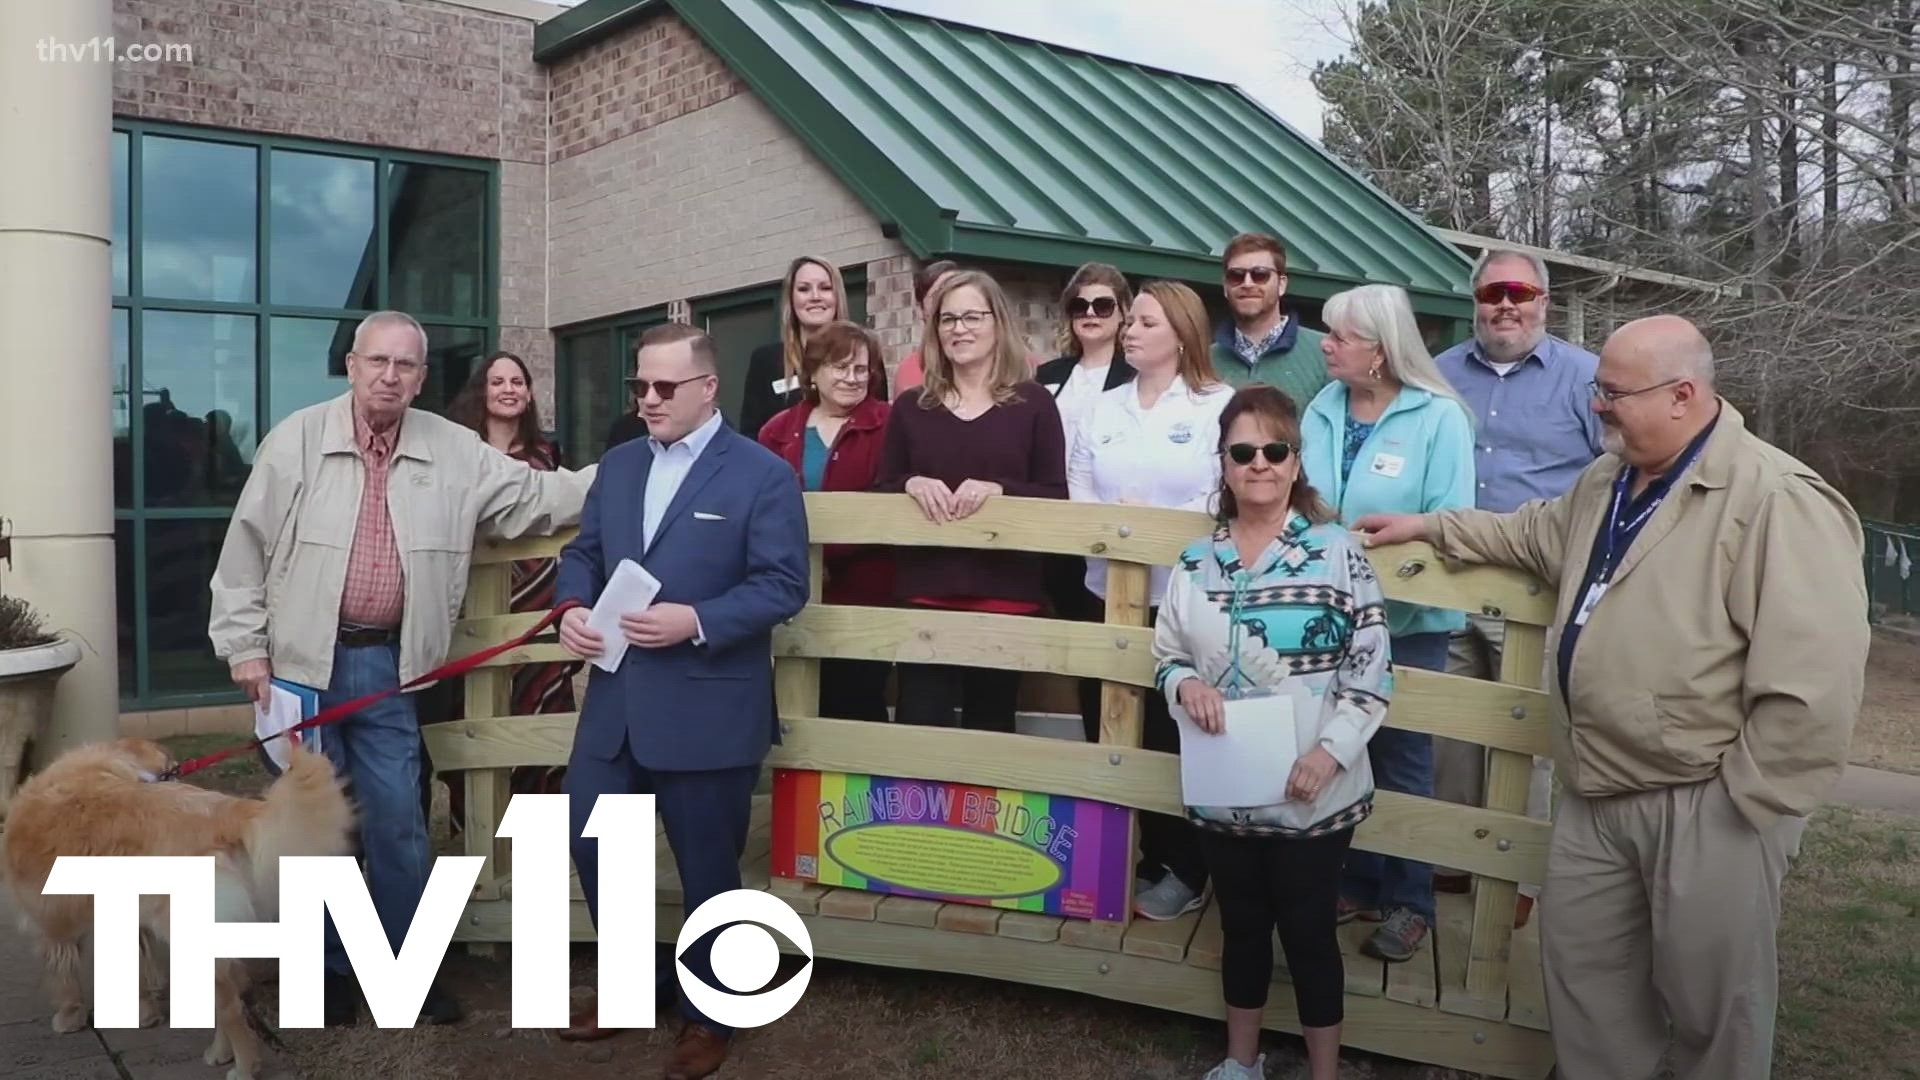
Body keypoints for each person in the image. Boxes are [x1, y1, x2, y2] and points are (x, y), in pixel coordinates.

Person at [1353, 315, 1870, 1080]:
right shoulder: (1611, 478)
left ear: (1683, 395)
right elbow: (1532, 534)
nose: (1598, 406)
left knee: (1712, 1011)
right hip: (1596, 789)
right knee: (1587, 987)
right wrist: (1429, 524)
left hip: (1705, 800)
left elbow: (1815, 682)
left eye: (1614, 393)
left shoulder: (1776, 498)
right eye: (1599, 390)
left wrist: (1744, 804)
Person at [207, 310, 595, 1027]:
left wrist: (631, 470)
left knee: (397, 825)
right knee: (311, 832)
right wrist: (247, 650)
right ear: (352, 367)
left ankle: (401, 971)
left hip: (389, 667)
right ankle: (320, 974)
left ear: (422, 379)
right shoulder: (294, 440)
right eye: (377, 361)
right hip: (299, 671)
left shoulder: (455, 450)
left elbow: (537, 499)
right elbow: (245, 552)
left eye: (405, 366)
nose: (390, 376)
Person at [550, 322, 809, 1080]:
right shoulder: (621, 464)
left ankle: (713, 1014)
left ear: (708, 387)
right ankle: (629, 990)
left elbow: (783, 586)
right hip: (616, 705)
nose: (649, 400)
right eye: (640, 387)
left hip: (707, 706)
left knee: (708, 872)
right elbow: (585, 553)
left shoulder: (762, 474)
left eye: (665, 387)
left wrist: (696, 620)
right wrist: (570, 606)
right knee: (596, 845)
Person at [1154, 384, 1393, 1080]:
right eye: (1243, 450)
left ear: (1295, 463)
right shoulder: (1195, 562)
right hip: (1224, 788)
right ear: (1223, 463)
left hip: (1313, 789)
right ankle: (1241, 1063)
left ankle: (1323, 1073)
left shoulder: (1337, 552)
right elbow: (1166, 654)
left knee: (1310, 932)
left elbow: (1372, 665)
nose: (1259, 462)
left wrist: (1331, 752)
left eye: (1275, 449)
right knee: (1242, 927)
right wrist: (1184, 684)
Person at [1299, 283, 1474, 963]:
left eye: (1340, 336)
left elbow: (1448, 517)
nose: (1327, 345)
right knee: (1343, 750)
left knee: (1403, 758)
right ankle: (1363, 880)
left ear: (1379, 349)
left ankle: (1411, 900)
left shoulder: (1439, 418)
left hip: (1409, 622)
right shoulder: (1321, 409)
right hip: (1329, 619)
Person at [1429, 248, 1603, 916]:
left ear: (1543, 302)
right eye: (1492, 292)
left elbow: (1611, 479)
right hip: (1448, 579)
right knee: (1449, 722)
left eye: (1520, 292)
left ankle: (1518, 872)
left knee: (1525, 728)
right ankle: (1450, 855)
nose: (1506, 304)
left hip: (1534, 588)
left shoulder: (1584, 378)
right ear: (1474, 300)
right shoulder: (1441, 375)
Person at [1067, 279, 1231, 920]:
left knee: (1171, 730)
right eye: (1129, 321)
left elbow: (1225, 494)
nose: (1129, 330)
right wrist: (1109, 528)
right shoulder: (1104, 407)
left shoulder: (1219, 404)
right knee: (1102, 716)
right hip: (1103, 590)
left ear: (1183, 333)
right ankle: (1126, 855)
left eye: (1144, 321)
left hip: (1180, 598)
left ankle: (1184, 866)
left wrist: (1151, 524)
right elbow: (1077, 479)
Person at [874, 268, 1068, 732]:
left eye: (972, 317)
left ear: (997, 323)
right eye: (948, 319)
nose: (959, 329)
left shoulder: (1034, 403)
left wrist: (1003, 491)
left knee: (991, 735)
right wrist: (909, 484)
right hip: (927, 595)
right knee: (921, 731)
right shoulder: (911, 407)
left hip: (1007, 597)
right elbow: (880, 488)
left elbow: (1057, 494)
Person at [427, 351, 583, 820]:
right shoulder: (459, 456)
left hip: (540, 599)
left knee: (540, 707)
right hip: (473, 606)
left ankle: (538, 830)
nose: (509, 389)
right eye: (498, 381)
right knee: (474, 714)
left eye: (518, 381)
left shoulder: (547, 456)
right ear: (482, 390)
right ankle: (481, 823)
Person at [757, 319, 895, 722]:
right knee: (794, 706)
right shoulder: (777, 431)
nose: (852, 378)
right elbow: (762, 506)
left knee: (858, 704)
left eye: (861, 369)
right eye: (840, 367)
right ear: (814, 371)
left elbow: (890, 498)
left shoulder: (891, 423)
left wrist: (829, 553)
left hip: (866, 592)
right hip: (790, 591)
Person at [1035, 261, 1137, 739]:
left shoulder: (1137, 375)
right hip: (1055, 529)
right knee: (1074, 647)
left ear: (1123, 313)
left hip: (1113, 531)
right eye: (1080, 305)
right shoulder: (1049, 374)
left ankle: (1115, 744)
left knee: (1113, 649)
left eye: (1103, 305)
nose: (1090, 313)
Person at [740, 256, 885, 440]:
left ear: (837, 296)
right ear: (791, 298)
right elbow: (751, 435)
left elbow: (879, 422)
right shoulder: (766, 360)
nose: (815, 297)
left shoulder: (866, 355)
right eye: (804, 289)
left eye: (825, 288)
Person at [1209, 231, 1330, 406]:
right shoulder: (1205, 362)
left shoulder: (1326, 353)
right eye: (1236, 275)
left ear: (1281, 284)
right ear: (1225, 287)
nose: (1247, 283)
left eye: (1260, 275)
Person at [892, 259, 961, 394]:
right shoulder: (911, 368)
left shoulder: (989, 362)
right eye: (938, 295)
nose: (948, 302)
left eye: (955, 293)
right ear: (920, 309)